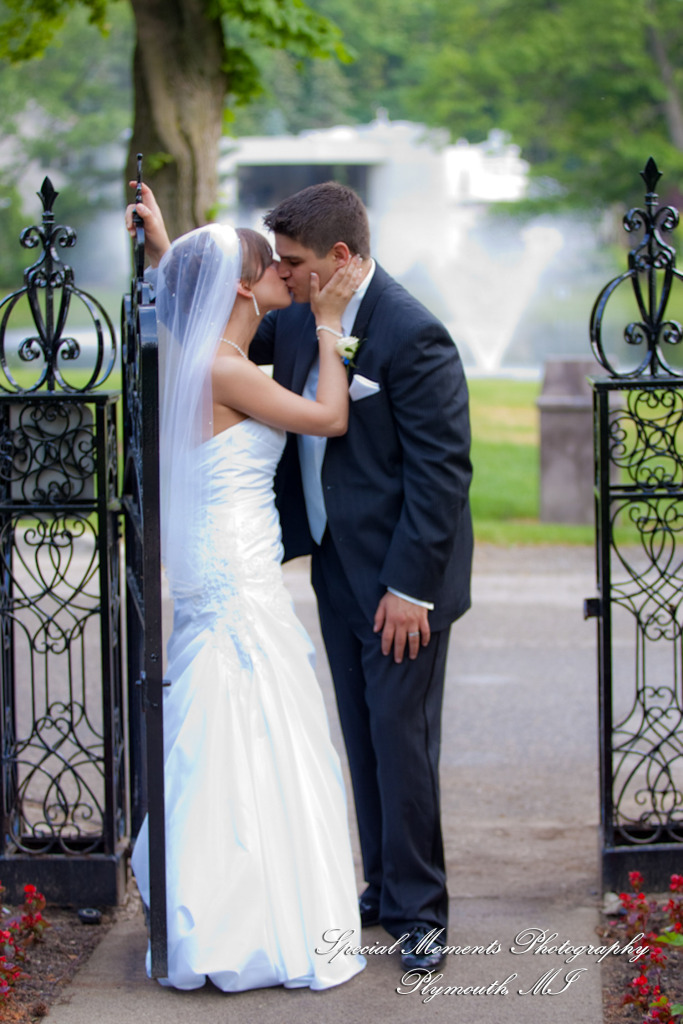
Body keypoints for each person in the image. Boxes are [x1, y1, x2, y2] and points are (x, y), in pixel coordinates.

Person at [127, 181, 473, 973]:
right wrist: (165, 247)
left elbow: (441, 474)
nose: (282, 274)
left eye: (295, 261)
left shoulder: (412, 333)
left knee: (401, 742)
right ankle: (382, 889)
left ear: (339, 259)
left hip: (400, 585)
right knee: (361, 739)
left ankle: (420, 915)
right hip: (332, 568)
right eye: (274, 263)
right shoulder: (288, 321)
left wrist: (411, 587)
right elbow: (210, 311)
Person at [129, 219, 367, 991]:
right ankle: (251, 919)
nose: (286, 281)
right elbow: (330, 417)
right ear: (241, 284)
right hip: (236, 568)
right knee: (254, 720)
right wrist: (330, 329)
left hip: (219, 559)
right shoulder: (227, 372)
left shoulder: (203, 355)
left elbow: (187, 295)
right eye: (273, 270)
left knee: (224, 719)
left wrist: (169, 249)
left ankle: (224, 906)